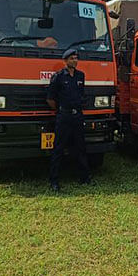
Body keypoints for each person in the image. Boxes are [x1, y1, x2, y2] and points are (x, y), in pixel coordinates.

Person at [46, 49, 91, 191]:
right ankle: (54, 181)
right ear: (65, 61)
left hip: (77, 116)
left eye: (76, 58)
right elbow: (50, 99)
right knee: (58, 148)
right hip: (64, 116)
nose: (75, 61)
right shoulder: (58, 77)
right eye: (72, 58)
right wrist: (61, 110)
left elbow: (81, 95)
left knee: (81, 147)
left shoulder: (80, 76)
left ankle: (84, 177)